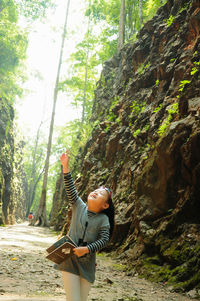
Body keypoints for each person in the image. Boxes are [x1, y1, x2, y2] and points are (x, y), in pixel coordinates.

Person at [55, 150, 115, 301]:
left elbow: (104, 240)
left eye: (100, 194)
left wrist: (87, 249)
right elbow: (70, 188)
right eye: (95, 190)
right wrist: (65, 166)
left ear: (105, 205)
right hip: (69, 259)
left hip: (88, 266)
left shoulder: (103, 220)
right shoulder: (78, 205)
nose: (95, 192)